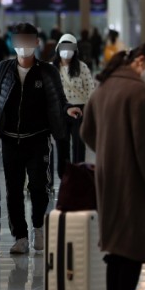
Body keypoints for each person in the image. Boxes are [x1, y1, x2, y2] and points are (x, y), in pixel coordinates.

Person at [0, 22, 81, 255]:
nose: (24, 47)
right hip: (10, 140)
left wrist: (68, 109)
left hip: (38, 138)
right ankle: (20, 236)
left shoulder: (47, 71)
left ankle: (38, 227)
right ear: (13, 43)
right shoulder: (3, 69)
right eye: (20, 42)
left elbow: (59, 99)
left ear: (37, 43)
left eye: (29, 41)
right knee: (13, 189)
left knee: (39, 187)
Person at [81, 44, 145, 290]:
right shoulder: (138, 92)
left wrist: (106, 151)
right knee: (133, 243)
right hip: (134, 179)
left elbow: (86, 131)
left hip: (107, 174)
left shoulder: (103, 88)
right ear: (141, 62)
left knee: (115, 243)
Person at [52, 33, 95, 180]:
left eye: (70, 47)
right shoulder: (52, 68)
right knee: (61, 145)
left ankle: (78, 176)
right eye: (64, 46)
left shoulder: (82, 67)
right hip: (60, 111)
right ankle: (64, 177)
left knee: (78, 145)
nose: (67, 50)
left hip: (79, 111)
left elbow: (90, 89)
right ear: (58, 48)